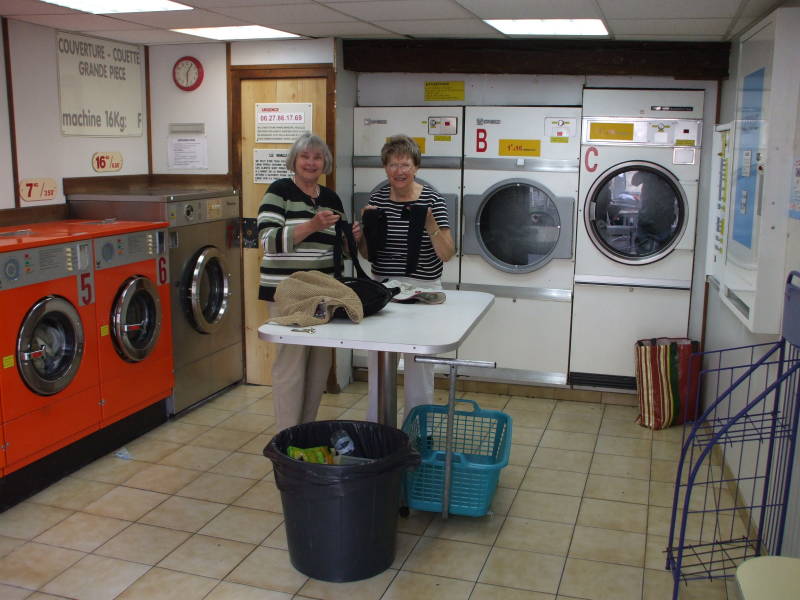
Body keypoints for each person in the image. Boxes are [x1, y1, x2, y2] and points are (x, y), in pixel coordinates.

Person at [258, 132, 361, 431]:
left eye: (317, 157)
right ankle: (287, 439)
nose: (311, 162)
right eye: (305, 156)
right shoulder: (279, 192)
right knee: (291, 368)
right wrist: (311, 225)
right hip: (287, 295)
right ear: (295, 161)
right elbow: (267, 241)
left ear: (324, 162)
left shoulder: (331, 198)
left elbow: (337, 250)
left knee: (317, 370)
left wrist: (350, 239)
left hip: (323, 295)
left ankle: (305, 431)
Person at [359, 134, 455, 423]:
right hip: (384, 292)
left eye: (405, 164)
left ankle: (418, 431)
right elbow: (368, 253)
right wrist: (360, 235)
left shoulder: (431, 199)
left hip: (423, 291)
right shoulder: (376, 199)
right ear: (385, 168)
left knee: (420, 366)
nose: (399, 171)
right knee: (380, 363)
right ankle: (379, 428)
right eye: (392, 165)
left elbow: (447, 253)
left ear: (416, 167)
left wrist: (430, 225)